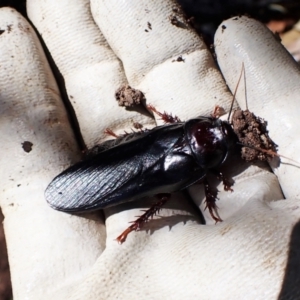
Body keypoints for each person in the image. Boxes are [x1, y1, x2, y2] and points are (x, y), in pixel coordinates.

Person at [1, 1, 299, 299]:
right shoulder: (205, 166)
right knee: (161, 185)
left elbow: (157, 130)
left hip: (138, 154)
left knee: (157, 173)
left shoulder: (185, 133)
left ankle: (128, 214)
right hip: (126, 159)